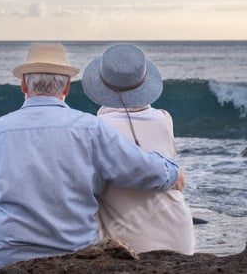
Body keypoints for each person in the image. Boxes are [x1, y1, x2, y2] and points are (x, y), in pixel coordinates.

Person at [0, 43, 184, 273]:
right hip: (74, 253)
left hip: (8, 255)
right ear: (67, 87)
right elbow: (140, 169)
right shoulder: (90, 128)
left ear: (23, 84)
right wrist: (172, 171)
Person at [82, 43, 195, 255]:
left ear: (102, 83)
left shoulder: (97, 128)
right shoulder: (164, 119)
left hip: (128, 240)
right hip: (179, 234)